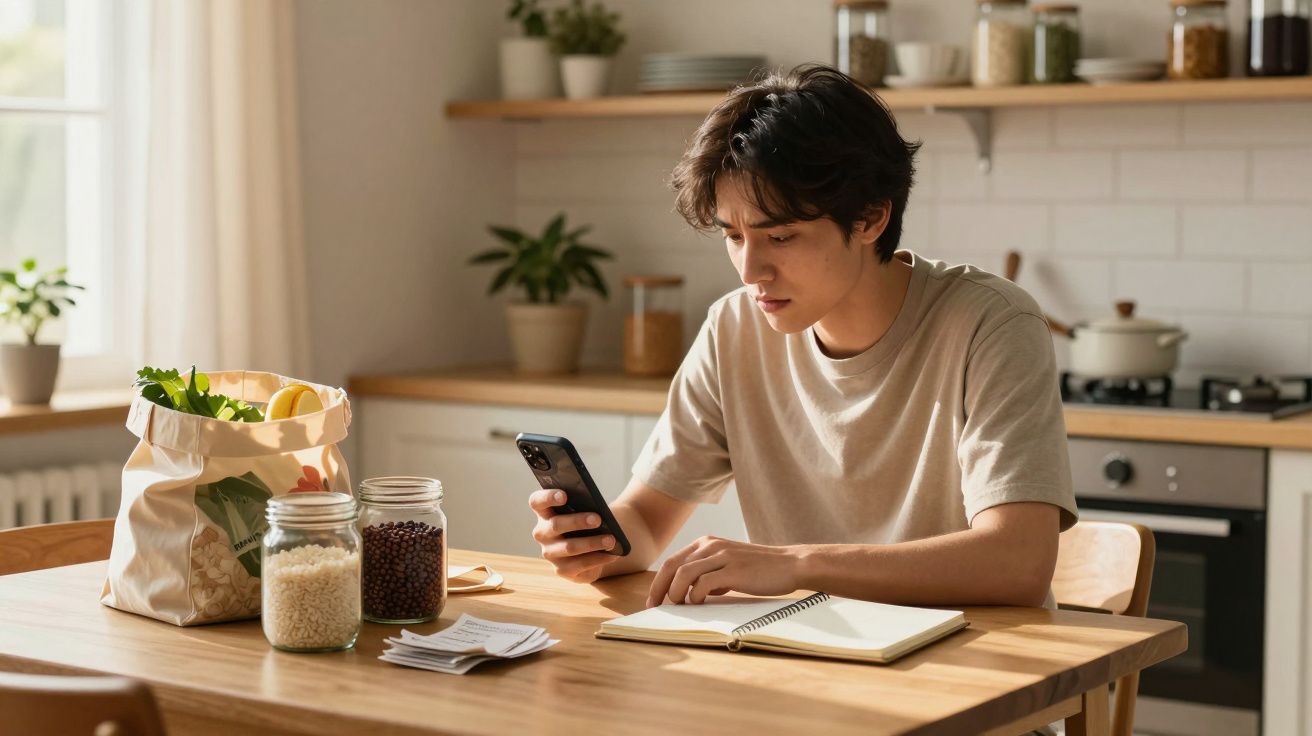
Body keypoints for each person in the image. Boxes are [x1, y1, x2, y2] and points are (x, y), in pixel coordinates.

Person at [527, 64, 1077, 610]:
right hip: (809, 655)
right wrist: (595, 544)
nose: (750, 270)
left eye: (781, 236)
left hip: (973, 666)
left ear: (870, 218)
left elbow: (1018, 562)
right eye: (733, 236)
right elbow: (646, 520)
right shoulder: (733, 329)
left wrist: (794, 565)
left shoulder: (992, 324)